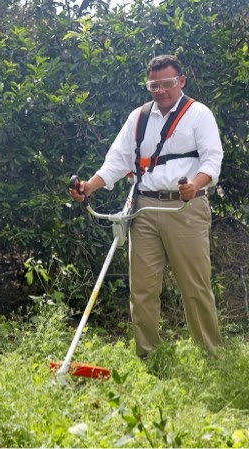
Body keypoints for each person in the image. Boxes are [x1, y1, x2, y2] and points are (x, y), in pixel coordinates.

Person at [69, 55, 223, 358]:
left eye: (167, 83)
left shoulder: (198, 114)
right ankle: (148, 355)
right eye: (154, 85)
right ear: (148, 85)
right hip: (144, 209)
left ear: (181, 82)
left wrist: (196, 184)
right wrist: (89, 187)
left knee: (195, 286)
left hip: (185, 208)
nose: (160, 90)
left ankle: (211, 354)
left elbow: (212, 159)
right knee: (142, 289)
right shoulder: (138, 117)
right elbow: (116, 161)